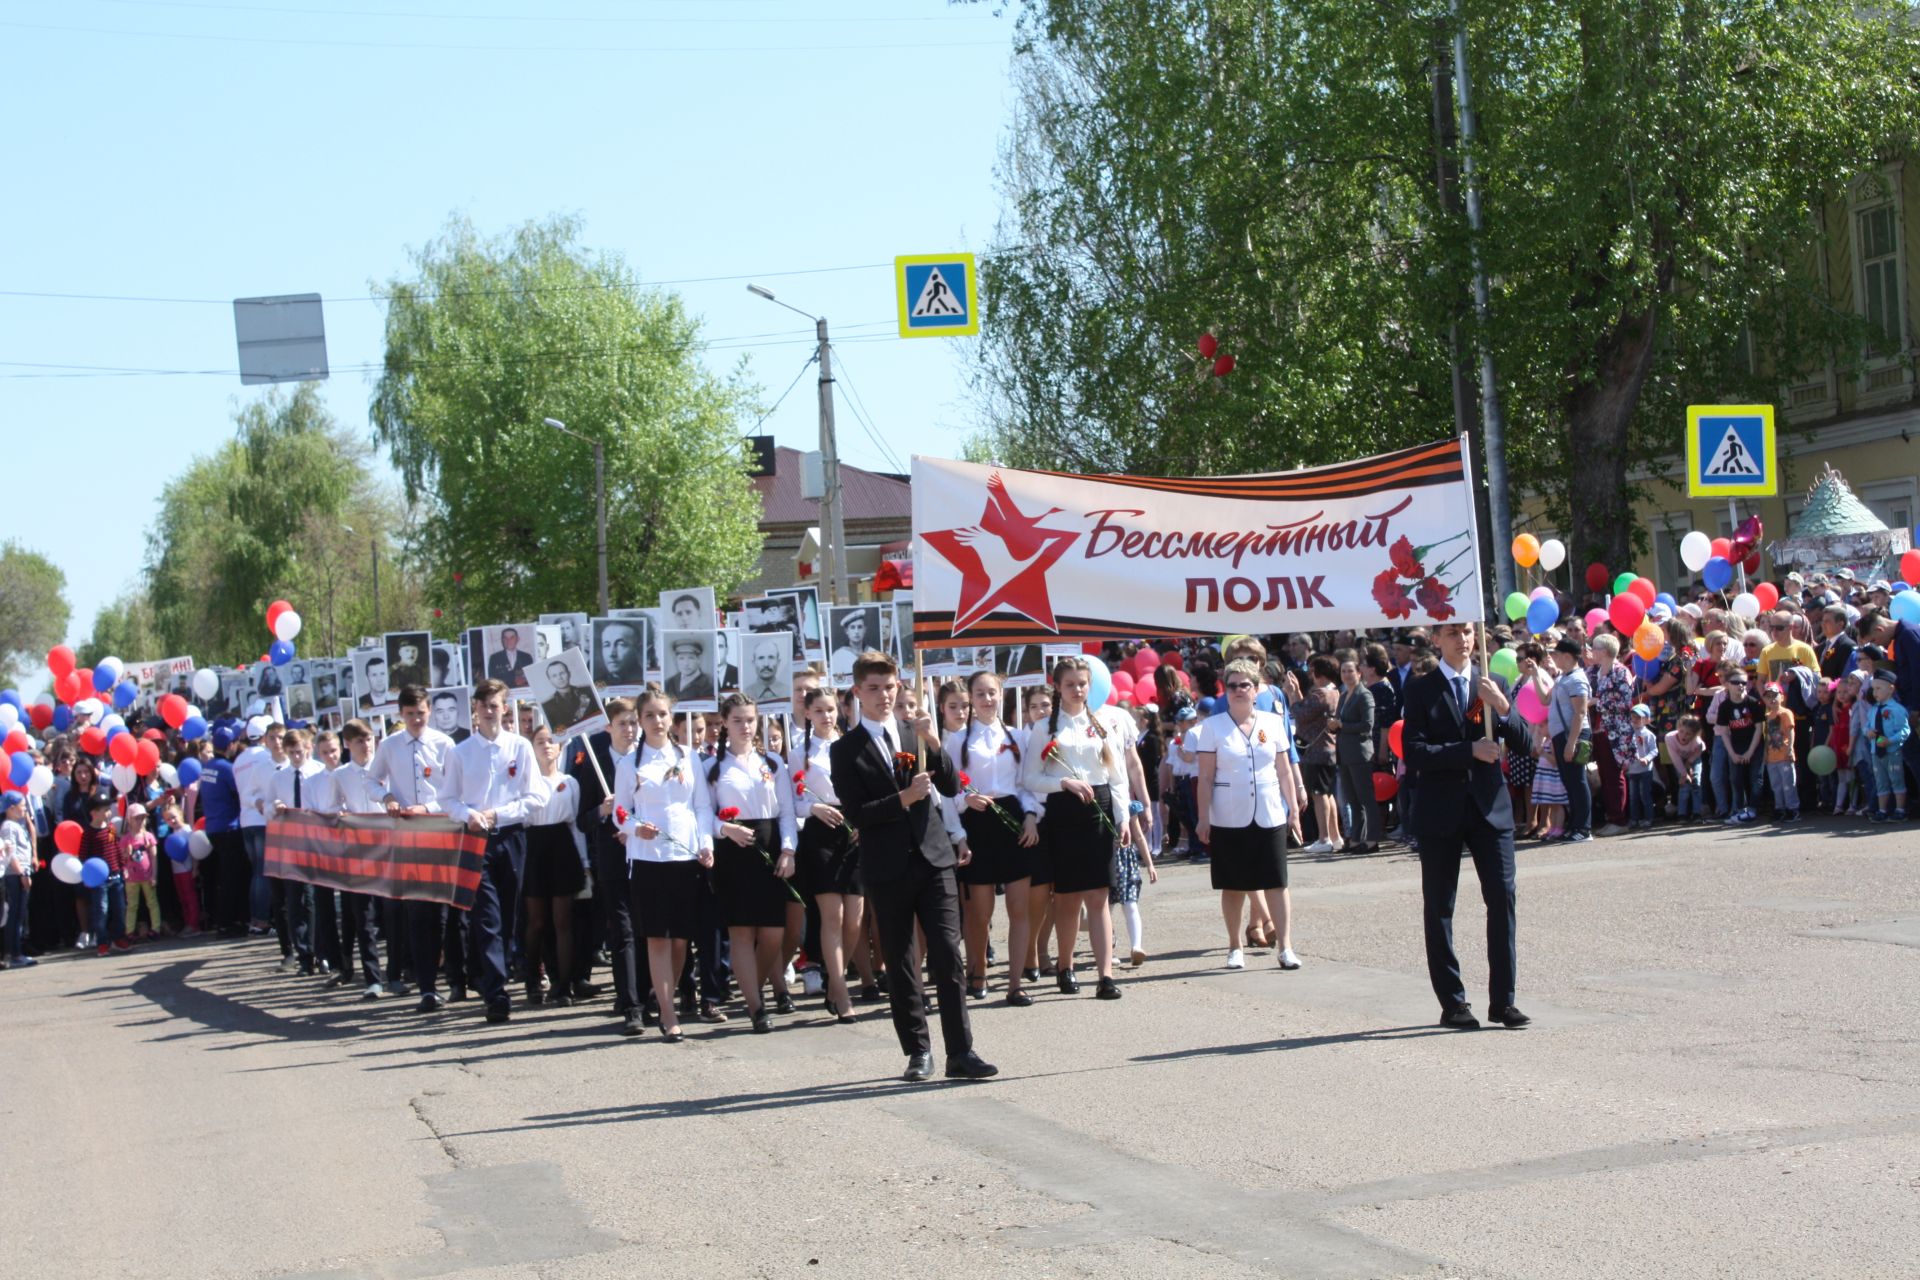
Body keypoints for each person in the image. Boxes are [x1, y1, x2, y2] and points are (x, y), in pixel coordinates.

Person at [830, 650, 994, 1082]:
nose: (883, 696)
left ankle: (961, 1051)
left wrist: (935, 745)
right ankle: (918, 1050)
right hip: (886, 865)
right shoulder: (845, 749)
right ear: (857, 692)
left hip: (933, 856)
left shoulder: (914, 731)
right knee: (901, 960)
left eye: (890, 687)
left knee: (946, 952)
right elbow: (856, 811)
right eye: (873, 689)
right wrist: (900, 800)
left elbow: (950, 784)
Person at [1401, 621, 1533, 1030]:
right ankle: (1453, 1002)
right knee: (1440, 907)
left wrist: (1504, 709)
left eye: (1468, 633)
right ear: (1437, 640)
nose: (1463, 639)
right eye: (1454, 633)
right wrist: (1468, 751)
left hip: (1489, 809)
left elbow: (1526, 743)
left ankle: (1503, 1001)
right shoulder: (1421, 689)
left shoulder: (1488, 683)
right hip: (1441, 811)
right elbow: (1416, 752)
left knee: (1503, 899)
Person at [1019, 656, 1127, 1001]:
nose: (1078, 690)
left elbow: (1116, 775)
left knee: (1099, 896)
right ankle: (1065, 966)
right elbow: (1030, 778)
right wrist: (1062, 782)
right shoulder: (1045, 728)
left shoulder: (1103, 722)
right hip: (1065, 811)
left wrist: (1123, 818)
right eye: (1070, 684)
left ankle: (1105, 975)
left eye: (1083, 684)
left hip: (1100, 808)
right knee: (1066, 899)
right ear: (1058, 687)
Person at [616, 686, 715, 1042]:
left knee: (680, 942)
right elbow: (620, 810)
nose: (657, 721)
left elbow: (702, 806)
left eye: (662, 714)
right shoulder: (630, 763)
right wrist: (632, 827)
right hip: (649, 858)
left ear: (671, 717)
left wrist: (705, 844)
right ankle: (668, 1012)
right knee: (658, 938)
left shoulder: (688, 756)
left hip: (685, 855)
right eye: (649, 715)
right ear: (640, 720)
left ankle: (664, 993)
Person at [1195, 658, 1305, 971]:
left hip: (1269, 811)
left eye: (1245, 685)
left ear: (1256, 689)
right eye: (1233, 686)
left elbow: (1284, 771)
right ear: (1225, 690)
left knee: (1276, 882)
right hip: (1228, 814)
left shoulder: (1272, 722)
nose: (1239, 690)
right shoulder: (1212, 727)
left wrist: (1293, 810)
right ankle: (1234, 946)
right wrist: (1203, 817)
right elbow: (1204, 777)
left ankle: (1285, 946)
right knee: (1233, 884)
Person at [440, 680, 537, 1023]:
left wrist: (500, 814)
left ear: (504, 708)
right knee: (487, 916)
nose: (488, 710)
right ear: (475, 709)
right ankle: (496, 993)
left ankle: (503, 968)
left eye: (494, 704)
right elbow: (447, 798)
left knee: (509, 915)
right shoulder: (460, 751)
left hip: (509, 836)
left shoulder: (520, 747)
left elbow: (535, 797)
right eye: (482, 704)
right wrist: (468, 814)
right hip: (475, 838)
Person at [942, 670, 1039, 1006]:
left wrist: (1030, 816)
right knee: (979, 912)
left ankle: (1015, 983)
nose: (987, 700)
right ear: (971, 699)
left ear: (1001, 694)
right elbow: (946, 792)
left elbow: (1026, 784)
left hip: (1012, 819)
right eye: (980, 694)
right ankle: (978, 970)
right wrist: (961, 819)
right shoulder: (957, 740)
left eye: (992, 693)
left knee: (1018, 908)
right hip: (978, 823)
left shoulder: (1016, 736)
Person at [706, 693, 799, 1034]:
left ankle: (752, 986)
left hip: (770, 847)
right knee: (742, 932)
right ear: (725, 724)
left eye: (750, 720)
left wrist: (788, 851)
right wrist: (724, 828)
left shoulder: (772, 763)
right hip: (733, 853)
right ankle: (756, 1007)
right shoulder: (712, 767)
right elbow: (704, 815)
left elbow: (787, 812)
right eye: (737, 720)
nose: (745, 726)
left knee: (774, 932)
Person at [369, 685, 462, 1012]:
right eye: (410, 715)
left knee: (448, 911)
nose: (416, 719)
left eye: (421, 713)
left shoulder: (444, 743)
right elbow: (372, 780)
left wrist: (431, 806)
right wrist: (388, 798)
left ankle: (456, 978)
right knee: (418, 911)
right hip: (408, 835)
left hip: (441, 831)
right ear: (401, 714)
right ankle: (425, 985)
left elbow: (456, 787)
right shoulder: (390, 746)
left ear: (429, 710)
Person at [791, 686, 866, 1020]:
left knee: (855, 919)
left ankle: (836, 983)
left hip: (854, 828)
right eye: (819, 710)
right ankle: (840, 990)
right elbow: (792, 800)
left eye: (831, 710)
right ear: (807, 713)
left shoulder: (851, 744)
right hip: (820, 832)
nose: (826, 716)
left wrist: (865, 819)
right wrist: (813, 808)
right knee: (832, 916)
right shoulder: (800, 752)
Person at [330, 719, 399, 999]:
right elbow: (332, 807)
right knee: (364, 917)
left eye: (369, 739)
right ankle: (373, 978)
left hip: (387, 847)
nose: (366, 745)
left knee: (393, 914)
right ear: (348, 744)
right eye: (359, 740)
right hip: (359, 851)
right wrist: (342, 815)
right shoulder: (341, 774)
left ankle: (395, 973)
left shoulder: (385, 768)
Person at [520, 725, 584, 1009]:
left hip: (562, 846)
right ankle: (533, 979)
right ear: (532, 748)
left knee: (563, 921)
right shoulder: (524, 781)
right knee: (536, 921)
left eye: (551, 741)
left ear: (560, 748)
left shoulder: (569, 781)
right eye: (540, 741)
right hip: (534, 846)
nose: (546, 746)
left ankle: (564, 984)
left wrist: (584, 862)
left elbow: (576, 826)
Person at [267, 728, 327, 974]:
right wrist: (276, 806)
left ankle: (321, 952)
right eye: (291, 753)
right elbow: (268, 807)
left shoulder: (318, 773)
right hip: (290, 845)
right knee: (294, 899)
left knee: (314, 899)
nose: (295, 757)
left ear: (308, 748)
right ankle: (304, 954)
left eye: (299, 752)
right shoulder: (279, 777)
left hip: (315, 844)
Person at [1291, 656, 1342, 854]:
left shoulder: (1321, 694)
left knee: (1319, 795)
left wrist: (1293, 693)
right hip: (1329, 750)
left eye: (1312, 671)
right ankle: (1334, 836)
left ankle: (1324, 838)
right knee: (1327, 794)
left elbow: (1300, 713)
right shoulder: (1335, 692)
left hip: (1317, 751)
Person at [232, 715, 277, 933]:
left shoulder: (239, 759)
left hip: (246, 821)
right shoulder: (265, 758)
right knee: (263, 872)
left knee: (257, 872)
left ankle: (257, 919)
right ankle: (261, 920)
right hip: (261, 818)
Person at [1546, 639, 1593, 842]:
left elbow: (1580, 712)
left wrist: (1571, 742)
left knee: (1577, 781)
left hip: (1573, 735)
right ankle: (1575, 825)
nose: (1553, 658)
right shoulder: (1564, 678)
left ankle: (1584, 828)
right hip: (1563, 736)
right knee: (1570, 782)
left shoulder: (1576, 679)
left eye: (1556, 654)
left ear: (1567, 656)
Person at [1335, 657, 1380, 852]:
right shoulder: (1344, 696)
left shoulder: (1365, 695)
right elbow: (1339, 720)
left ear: (1359, 673)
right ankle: (1355, 839)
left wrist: (1343, 725)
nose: (1346, 675)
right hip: (1345, 753)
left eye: (1350, 671)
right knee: (1352, 799)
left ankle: (1372, 840)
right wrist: (1334, 725)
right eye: (1343, 671)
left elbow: (1367, 725)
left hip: (1360, 753)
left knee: (1365, 798)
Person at [81, 794, 129, 957]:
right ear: (93, 813)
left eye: (109, 810)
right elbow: (83, 857)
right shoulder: (88, 834)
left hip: (116, 876)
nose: (109, 813)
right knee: (101, 910)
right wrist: (88, 876)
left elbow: (116, 849)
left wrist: (123, 867)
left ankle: (118, 938)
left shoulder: (111, 829)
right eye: (105, 810)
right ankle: (102, 942)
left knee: (119, 909)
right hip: (99, 880)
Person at [1715, 669, 1762, 824]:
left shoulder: (1753, 703)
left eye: (1743, 682)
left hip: (1754, 745)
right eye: (1736, 683)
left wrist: (1750, 752)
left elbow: (1759, 729)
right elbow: (1723, 732)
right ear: (1728, 684)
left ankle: (1753, 810)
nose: (1740, 686)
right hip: (1735, 746)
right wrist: (1733, 754)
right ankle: (1740, 810)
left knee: (1756, 778)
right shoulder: (1724, 706)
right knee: (1736, 779)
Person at [1867, 668, 1908, 821]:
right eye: (1873, 689)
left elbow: (1905, 730)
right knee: (1881, 781)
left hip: (1892, 751)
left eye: (1878, 688)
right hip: (1875, 751)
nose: (1875, 692)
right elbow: (1867, 727)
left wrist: (1890, 740)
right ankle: (1883, 810)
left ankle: (1900, 809)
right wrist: (1868, 732)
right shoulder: (1873, 710)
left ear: (1891, 689)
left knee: (1896, 779)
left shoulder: (1897, 710)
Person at [119, 804, 162, 942]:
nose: (140, 822)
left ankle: (156, 928)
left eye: (142, 818)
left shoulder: (148, 836)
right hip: (131, 877)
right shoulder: (125, 839)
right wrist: (127, 853)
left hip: (147, 876)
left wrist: (154, 875)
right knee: (132, 905)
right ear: (129, 820)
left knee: (152, 902)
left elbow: (154, 856)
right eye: (137, 818)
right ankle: (129, 931)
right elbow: (122, 859)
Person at [2, 794, 36, 967]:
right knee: (15, 914)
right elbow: (10, 853)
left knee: (20, 914)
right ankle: (14, 953)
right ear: (11, 808)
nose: (25, 808)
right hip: (15, 875)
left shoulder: (17, 825)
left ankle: (17, 951)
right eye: (22, 805)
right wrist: (22, 873)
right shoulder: (8, 826)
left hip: (21, 872)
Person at [1759, 683, 1799, 822]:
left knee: (1788, 784)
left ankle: (1792, 809)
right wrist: (1765, 753)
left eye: (1774, 695)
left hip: (1784, 755)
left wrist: (1790, 748)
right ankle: (1779, 808)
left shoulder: (1785, 713)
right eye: (1768, 697)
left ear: (1781, 696)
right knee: (1776, 785)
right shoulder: (1767, 716)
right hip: (1772, 757)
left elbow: (1790, 731)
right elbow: (1766, 737)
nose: (1772, 699)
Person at [1665, 715, 1706, 824]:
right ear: (1678, 727)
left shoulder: (1697, 742)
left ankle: (1697, 813)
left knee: (1696, 782)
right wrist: (1684, 774)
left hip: (1694, 758)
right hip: (1680, 761)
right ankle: (1682, 814)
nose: (1684, 736)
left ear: (1693, 735)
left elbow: (1701, 748)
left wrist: (1690, 761)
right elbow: (1675, 758)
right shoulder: (1669, 738)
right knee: (1684, 784)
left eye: (1688, 734)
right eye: (1682, 731)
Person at [539, 659, 597, 734]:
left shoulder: (588, 691)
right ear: (550, 680)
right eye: (554, 675)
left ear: (569, 674)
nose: (559, 678)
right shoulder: (547, 705)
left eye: (562, 673)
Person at [1625, 704, 1659, 829]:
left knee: (1645, 795)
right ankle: (1634, 819)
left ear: (1646, 719)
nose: (1634, 719)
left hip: (1645, 770)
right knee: (1633, 796)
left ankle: (1649, 818)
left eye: (1638, 717)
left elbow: (1654, 751)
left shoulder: (1649, 734)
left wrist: (1647, 758)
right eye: (1633, 716)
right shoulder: (1628, 733)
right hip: (1632, 771)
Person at [596, 619, 645, 685]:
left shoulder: (647, 681)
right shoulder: (598, 683)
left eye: (620, 644)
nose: (612, 654)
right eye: (606, 645)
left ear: (638, 649)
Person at [743, 635, 787, 704]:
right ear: (753, 663)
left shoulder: (788, 692)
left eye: (771, 657)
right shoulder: (744, 695)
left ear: (778, 662)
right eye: (761, 658)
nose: (766, 664)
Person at [830, 610, 871, 680]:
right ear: (846, 631)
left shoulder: (873, 652)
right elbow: (837, 682)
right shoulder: (838, 656)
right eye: (852, 627)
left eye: (860, 627)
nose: (856, 631)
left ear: (865, 629)